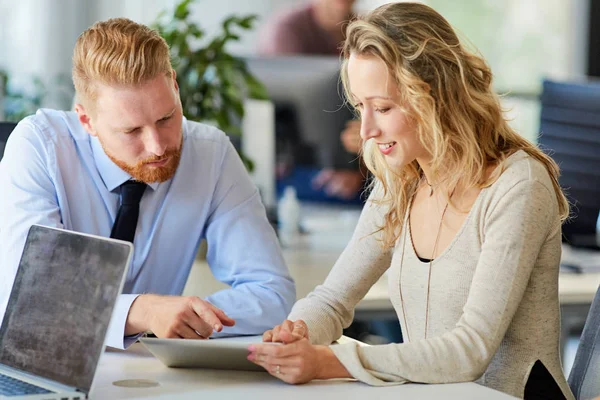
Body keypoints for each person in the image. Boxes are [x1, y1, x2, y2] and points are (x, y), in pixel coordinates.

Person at [247, 3, 574, 399]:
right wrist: (296, 332)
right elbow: (333, 300)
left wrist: (329, 362)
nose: (366, 129)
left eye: (382, 107)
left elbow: (470, 350)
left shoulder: (517, 184)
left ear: (433, 96)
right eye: (360, 107)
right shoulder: (400, 180)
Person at [0, 18, 295, 350]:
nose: (157, 146)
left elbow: (271, 291)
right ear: (87, 121)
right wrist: (142, 311)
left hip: (148, 373)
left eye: (166, 118)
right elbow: (29, 300)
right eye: (131, 131)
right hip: (35, 362)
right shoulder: (40, 146)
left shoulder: (211, 154)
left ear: (175, 87)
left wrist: (184, 317)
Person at [258, 0, 365, 201]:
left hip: (360, 159)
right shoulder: (287, 31)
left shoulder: (370, 29)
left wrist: (363, 164)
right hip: (298, 164)